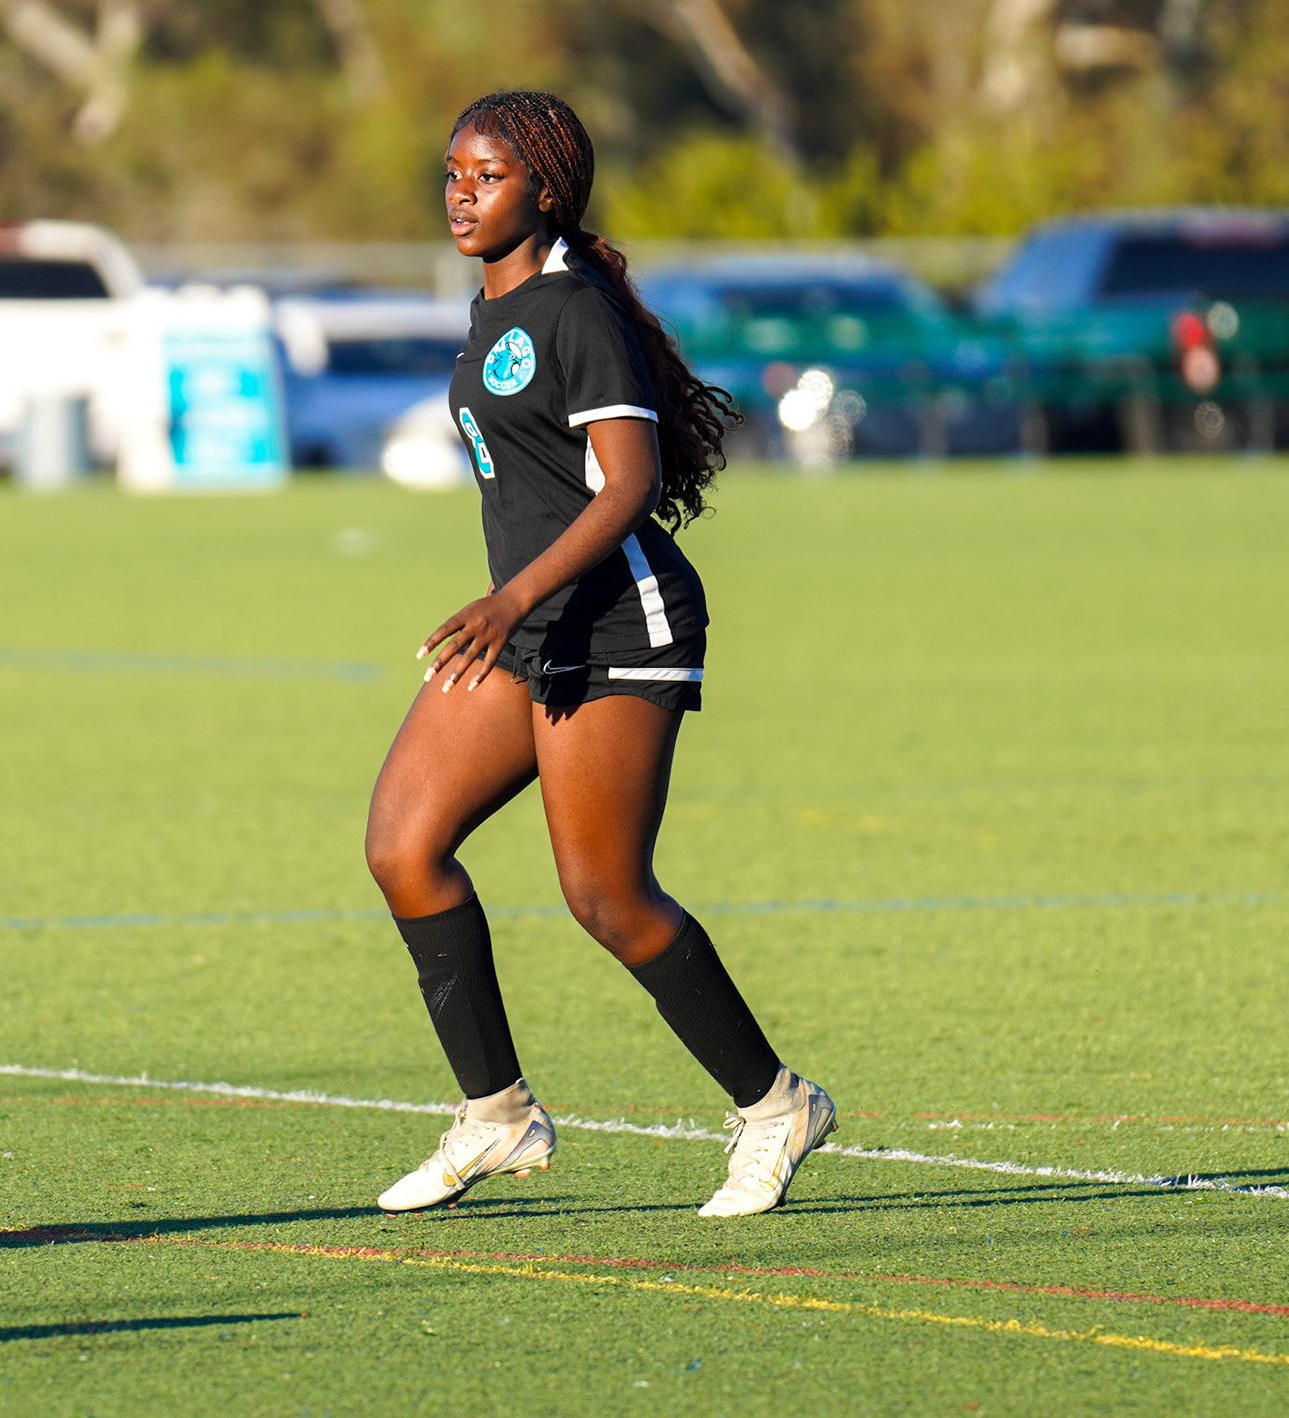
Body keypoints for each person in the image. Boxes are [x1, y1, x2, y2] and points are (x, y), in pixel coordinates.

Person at [364, 90, 835, 1219]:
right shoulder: (490, 308)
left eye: (487, 176)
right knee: (403, 846)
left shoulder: (576, 311)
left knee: (605, 895)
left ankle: (776, 1106)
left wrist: (512, 595)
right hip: (527, 629)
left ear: (546, 189)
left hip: (621, 625)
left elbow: (628, 484)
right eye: (452, 173)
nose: (461, 194)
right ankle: (497, 1114)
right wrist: (515, 608)